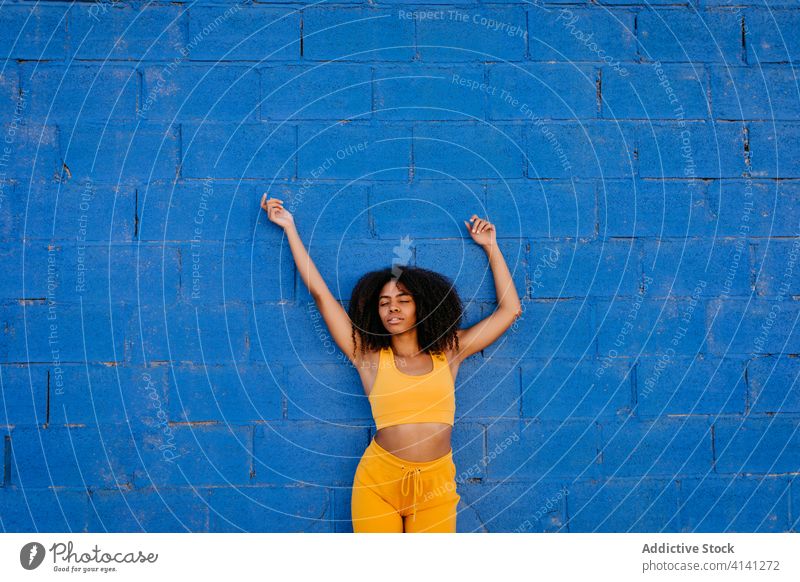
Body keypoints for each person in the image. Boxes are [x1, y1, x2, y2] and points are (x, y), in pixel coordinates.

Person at [261, 193, 522, 532]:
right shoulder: (366, 356)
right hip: (378, 483)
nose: (392, 307)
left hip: (437, 486)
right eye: (384, 302)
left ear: (420, 306)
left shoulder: (450, 351)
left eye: (402, 299)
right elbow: (322, 295)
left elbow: (510, 310)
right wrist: (289, 228)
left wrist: (491, 247)